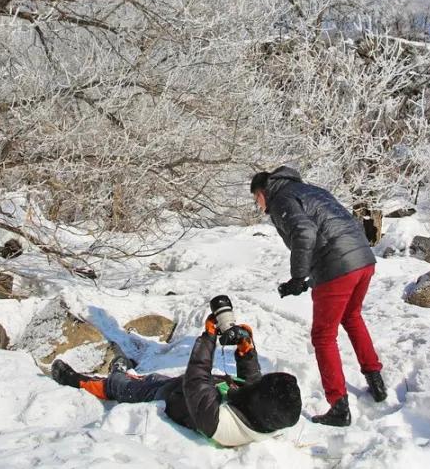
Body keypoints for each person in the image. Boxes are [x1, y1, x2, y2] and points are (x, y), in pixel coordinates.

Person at [251, 165, 386, 427]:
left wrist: (298, 277)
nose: (259, 205)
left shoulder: (281, 199)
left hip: (336, 266)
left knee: (323, 336)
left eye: (257, 198)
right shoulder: (312, 190)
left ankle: (338, 406)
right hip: (363, 260)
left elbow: (304, 232)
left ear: (263, 190)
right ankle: (376, 382)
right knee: (352, 316)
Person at [49, 307, 302, 447]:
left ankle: (75, 378)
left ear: (259, 402)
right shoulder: (265, 414)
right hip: (183, 389)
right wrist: (245, 347)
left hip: (170, 396)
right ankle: (123, 370)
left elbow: (196, 378)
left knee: (122, 386)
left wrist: (209, 336)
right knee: (147, 379)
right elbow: (253, 381)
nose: (258, 385)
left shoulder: (218, 424)